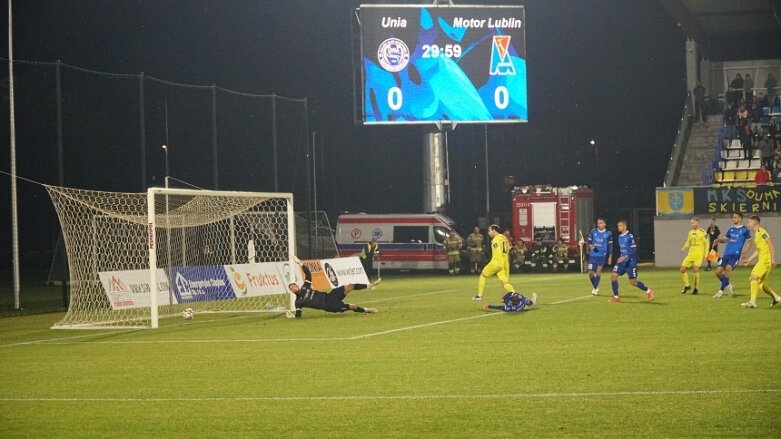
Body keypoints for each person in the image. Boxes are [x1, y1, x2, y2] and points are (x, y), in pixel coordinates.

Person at [288, 260, 379, 318]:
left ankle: (370, 286)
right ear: (292, 291)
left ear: (297, 285)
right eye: (292, 289)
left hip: (329, 296)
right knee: (352, 306)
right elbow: (298, 315)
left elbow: (308, 274)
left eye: (293, 286)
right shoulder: (298, 301)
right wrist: (293, 317)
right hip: (329, 306)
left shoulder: (305, 287)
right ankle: (367, 310)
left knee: (350, 286)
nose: (293, 288)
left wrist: (301, 264)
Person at [740, 215, 781, 308]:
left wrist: (773, 258)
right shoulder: (756, 234)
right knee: (758, 282)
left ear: (755, 223)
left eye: (749, 222)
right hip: (764, 260)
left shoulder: (761, 231)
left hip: (766, 260)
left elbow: (770, 244)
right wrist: (749, 260)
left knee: (753, 278)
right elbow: (758, 250)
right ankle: (776, 297)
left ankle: (752, 302)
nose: (748, 224)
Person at [609, 219, 654, 302]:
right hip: (622, 262)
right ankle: (616, 297)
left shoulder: (630, 236)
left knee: (632, 282)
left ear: (624, 226)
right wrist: (621, 258)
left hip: (630, 262)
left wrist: (625, 257)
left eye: (620, 226)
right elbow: (623, 250)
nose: (618, 227)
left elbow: (633, 250)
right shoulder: (620, 237)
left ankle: (648, 291)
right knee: (613, 276)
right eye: (618, 226)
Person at [712, 213, 752, 299]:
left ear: (740, 218)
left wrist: (746, 251)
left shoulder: (745, 229)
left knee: (728, 268)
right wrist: (718, 240)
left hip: (735, 254)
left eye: (735, 217)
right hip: (727, 253)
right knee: (717, 272)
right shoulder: (731, 229)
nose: (733, 219)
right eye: (733, 217)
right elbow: (725, 239)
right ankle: (728, 285)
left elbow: (749, 242)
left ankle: (720, 292)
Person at [472, 224, 514, 301]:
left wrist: (497, 263)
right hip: (505, 263)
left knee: (483, 275)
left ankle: (479, 296)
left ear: (494, 230)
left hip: (497, 262)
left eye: (489, 231)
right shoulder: (504, 238)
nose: (488, 233)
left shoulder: (495, 239)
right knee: (505, 282)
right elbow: (509, 248)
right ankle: (514, 295)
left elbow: (497, 252)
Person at [680, 217, 708, 295]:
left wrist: (706, 255)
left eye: (693, 223)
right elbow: (688, 241)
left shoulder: (703, 232)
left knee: (695, 269)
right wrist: (684, 248)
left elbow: (707, 244)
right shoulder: (690, 232)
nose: (691, 224)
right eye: (691, 223)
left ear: (698, 223)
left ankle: (696, 288)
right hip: (691, 253)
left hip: (699, 254)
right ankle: (687, 285)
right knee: (682, 269)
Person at [587, 218, 613, 295]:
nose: (599, 225)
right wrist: (590, 246)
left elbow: (610, 245)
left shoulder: (608, 233)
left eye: (601, 223)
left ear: (604, 224)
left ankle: (595, 288)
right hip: (593, 255)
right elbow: (589, 241)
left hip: (602, 255)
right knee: (590, 272)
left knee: (598, 271)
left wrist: (610, 256)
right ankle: (595, 287)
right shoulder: (593, 231)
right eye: (598, 223)